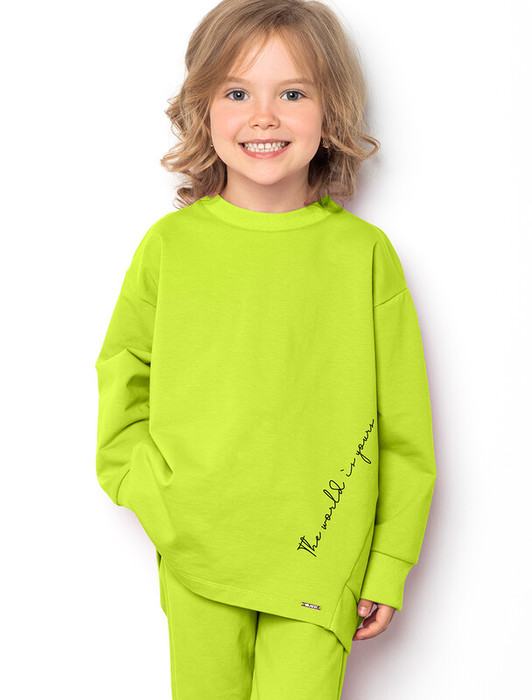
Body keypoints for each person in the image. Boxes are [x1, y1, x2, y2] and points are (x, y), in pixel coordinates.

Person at [94, 0, 437, 697]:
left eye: (293, 93)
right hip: (198, 552)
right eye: (237, 93)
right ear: (202, 109)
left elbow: (405, 433)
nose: (264, 117)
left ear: (330, 111)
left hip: (321, 556)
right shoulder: (169, 248)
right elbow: (122, 381)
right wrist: (160, 500)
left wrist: (388, 561)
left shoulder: (364, 256)